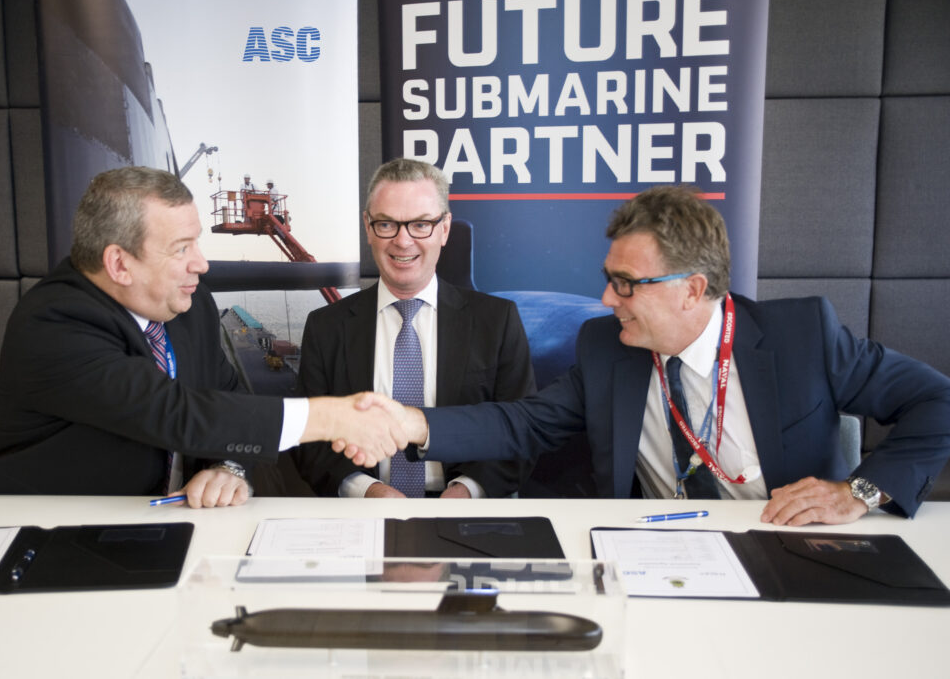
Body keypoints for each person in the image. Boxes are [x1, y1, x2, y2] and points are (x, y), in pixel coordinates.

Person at [354, 185, 950, 524]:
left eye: (627, 284)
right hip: (657, 562)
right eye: (609, 279)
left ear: (693, 289)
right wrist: (413, 424)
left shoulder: (801, 337)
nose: (607, 299)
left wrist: (859, 493)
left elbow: (937, 401)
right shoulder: (607, 350)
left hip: (787, 550)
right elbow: (521, 423)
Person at [0, 166, 405, 506]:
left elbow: (228, 400)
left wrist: (228, 465)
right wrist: (332, 418)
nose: (202, 264)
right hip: (29, 533)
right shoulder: (54, 323)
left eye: (197, 242)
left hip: (154, 532)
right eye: (181, 248)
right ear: (119, 264)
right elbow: (173, 412)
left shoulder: (189, 306)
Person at [286, 158, 536, 498]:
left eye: (420, 224)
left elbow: (522, 430)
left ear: (444, 228)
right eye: (386, 224)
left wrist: (467, 491)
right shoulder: (326, 327)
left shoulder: (497, 321)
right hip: (365, 509)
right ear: (368, 227)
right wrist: (366, 490)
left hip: (465, 506)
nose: (403, 241)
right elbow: (311, 441)